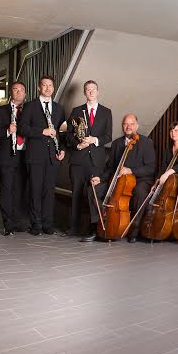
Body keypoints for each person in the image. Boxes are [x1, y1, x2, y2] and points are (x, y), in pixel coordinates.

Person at [89, 113, 156, 243]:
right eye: (125, 124)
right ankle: (98, 226)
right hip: (119, 180)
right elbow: (110, 167)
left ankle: (134, 230)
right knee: (93, 190)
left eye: (131, 124)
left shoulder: (146, 142)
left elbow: (150, 168)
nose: (128, 126)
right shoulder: (117, 143)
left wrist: (131, 170)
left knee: (140, 193)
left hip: (140, 179)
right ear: (122, 126)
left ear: (137, 126)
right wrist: (100, 179)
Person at [18, 75, 66, 235]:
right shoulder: (30, 106)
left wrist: (63, 149)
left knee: (49, 191)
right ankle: (36, 224)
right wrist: (42, 132)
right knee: (35, 190)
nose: (47, 88)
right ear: (39, 88)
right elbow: (23, 129)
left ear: (53, 88)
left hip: (52, 157)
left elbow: (63, 133)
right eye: (44, 85)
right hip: (35, 156)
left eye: (50, 85)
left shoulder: (59, 108)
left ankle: (47, 223)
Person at [65, 80, 112, 239]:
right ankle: (73, 228)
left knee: (93, 194)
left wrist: (94, 140)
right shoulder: (76, 110)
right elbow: (68, 136)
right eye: (88, 90)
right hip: (79, 159)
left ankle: (93, 229)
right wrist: (78, 145)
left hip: (96, 161)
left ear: (98, 92)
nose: (91, 92)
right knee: (76, 194)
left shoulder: (106, 112)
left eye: (93, 89)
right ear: (84, 93)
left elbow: (108, 136)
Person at [0, 82, 29, 235]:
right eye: (15, 89)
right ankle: (7, 223)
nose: (18, 92)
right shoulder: (1, 110)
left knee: (19, 190)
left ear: (25, 93)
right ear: (11, 92)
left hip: (25, 155)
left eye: (21, 90)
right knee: (7, 189)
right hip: (7, 154)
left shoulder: (30, 110)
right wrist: (7, 131)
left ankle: (17, 221)